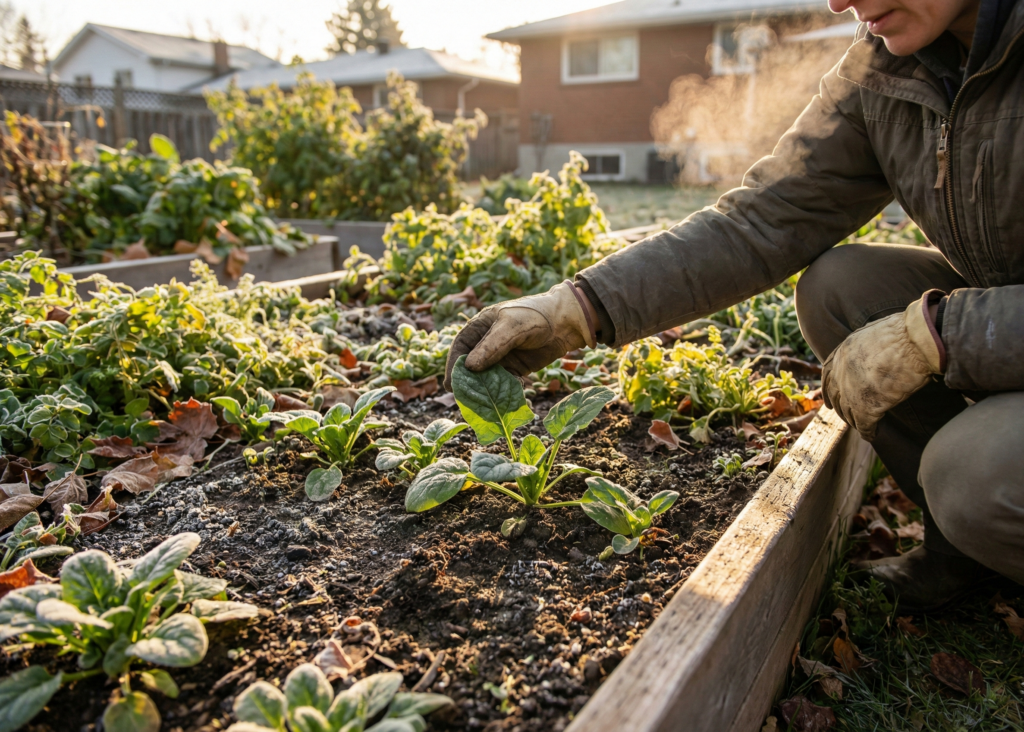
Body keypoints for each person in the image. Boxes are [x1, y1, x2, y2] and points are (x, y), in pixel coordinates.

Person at [443, 0, 1024, 614]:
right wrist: (576, 307)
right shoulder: (889, 69)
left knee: (976, 479)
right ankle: (969, 558)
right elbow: (762, 221)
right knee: (840, 288)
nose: (839, 3)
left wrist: (944, 334)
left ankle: (980, 517)